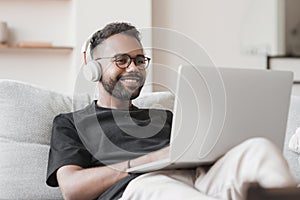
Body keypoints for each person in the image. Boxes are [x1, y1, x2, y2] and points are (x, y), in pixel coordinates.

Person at [46, 22, 296, 200]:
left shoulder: (163, 117)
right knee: (161, 188)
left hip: (198, 179)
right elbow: (72, 189)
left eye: (140, 60)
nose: (133, 68)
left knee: (258, 149)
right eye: (121, 60)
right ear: (94, 70)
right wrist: (147, 161)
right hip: (140, 187)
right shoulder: (71, 123)